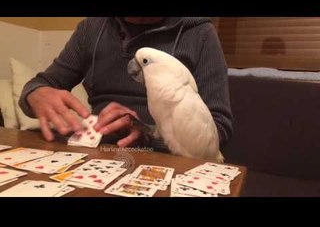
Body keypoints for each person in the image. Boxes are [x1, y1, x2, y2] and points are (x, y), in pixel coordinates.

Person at [19, 17, 233, 153]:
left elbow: (218, 130)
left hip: (165, 159)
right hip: (98, 152)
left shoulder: (200, 33)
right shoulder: (91, 28)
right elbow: (40, 85)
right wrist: (36, 94)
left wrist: (148, 135)